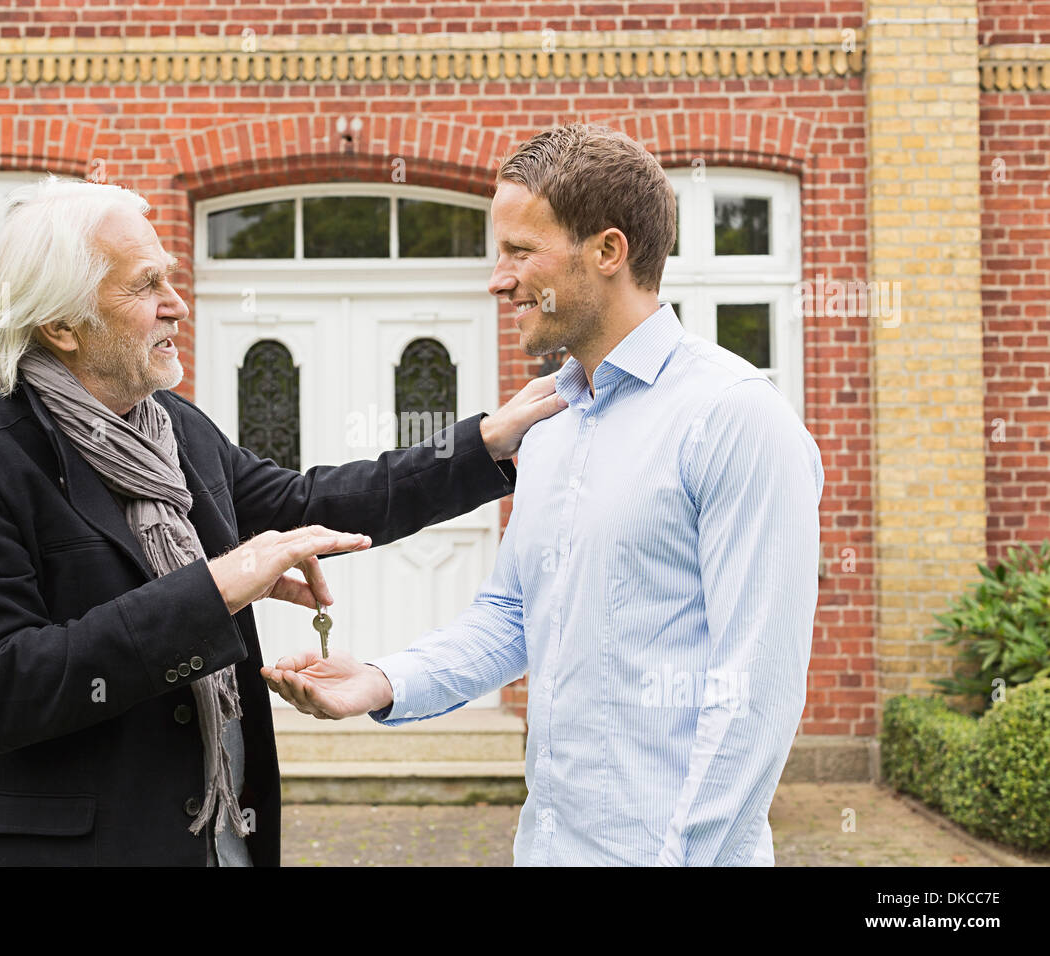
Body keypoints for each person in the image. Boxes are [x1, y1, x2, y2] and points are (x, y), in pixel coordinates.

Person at [0, 175, 566, 866]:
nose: (176, 305)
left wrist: (482, 445)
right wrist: (216, 588)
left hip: (219, 843)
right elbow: (1, 692)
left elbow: (308, 506)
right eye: (145, 286)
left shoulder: (171, 429)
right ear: (61, 326)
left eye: (170, 280)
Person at [263, 123, 826, 866]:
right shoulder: (550, 424)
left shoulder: (735, 419)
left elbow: (755, 690)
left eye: (520, 252)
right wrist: (383, 681)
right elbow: (515, 616)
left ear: (608, 251)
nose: (498, 280)